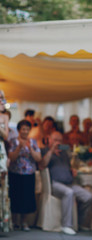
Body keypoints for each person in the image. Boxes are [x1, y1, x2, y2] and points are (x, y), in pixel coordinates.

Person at [39, 131, 92, 235]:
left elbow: (69, 166)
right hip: (55, 184)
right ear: (49, 140)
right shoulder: (44, 150)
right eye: (55, 140)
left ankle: (80, 223)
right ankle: (66, 225)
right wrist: (51, 150)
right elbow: (42, 165)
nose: (58, 142)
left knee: (88, 196)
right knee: (69, 193)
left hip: (69, 183)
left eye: (60, 140)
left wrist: (72, 170)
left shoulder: (64, 153)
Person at [8, 120, 42, 231]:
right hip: (15, 173)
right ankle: (14, 221)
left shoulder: (33, 142)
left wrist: (30, 148)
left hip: (29, 173)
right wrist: (19, 148)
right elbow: (11, 157)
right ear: (19, 130)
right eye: (23, 129)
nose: (25, 131)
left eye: (27, 129)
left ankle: (24, 222)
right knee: (15, 197)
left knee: (27, 198)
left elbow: (38, 158)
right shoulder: (13, 141)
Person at [0, 90, 11, 233]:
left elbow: (6, 135)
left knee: (2, 186)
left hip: (1, 151)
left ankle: (3, 221)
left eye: (2, 98)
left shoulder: (5, 117)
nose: (2, 101)